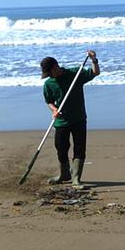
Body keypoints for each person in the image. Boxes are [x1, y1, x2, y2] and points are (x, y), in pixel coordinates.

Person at [40, 50, 101, 187]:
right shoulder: (49, 84)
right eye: (47, 74)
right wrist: (54, 109)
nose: (50, 76)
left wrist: (94, 60)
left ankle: (76, 178)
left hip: (78, 118)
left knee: (79, 149)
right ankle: (64, 174)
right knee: (61, 148)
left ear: (56, 67)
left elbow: (95, 73)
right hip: (61, 121)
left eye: (50, 72)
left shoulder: (75, 74)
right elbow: (49, 101)